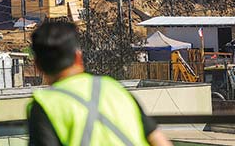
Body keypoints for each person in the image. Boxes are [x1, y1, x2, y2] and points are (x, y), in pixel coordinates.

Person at [28, 22, 172, 146]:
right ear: (78, 57)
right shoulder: (114, 88)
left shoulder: (44, 104)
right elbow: (159, 141)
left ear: (37, 66)